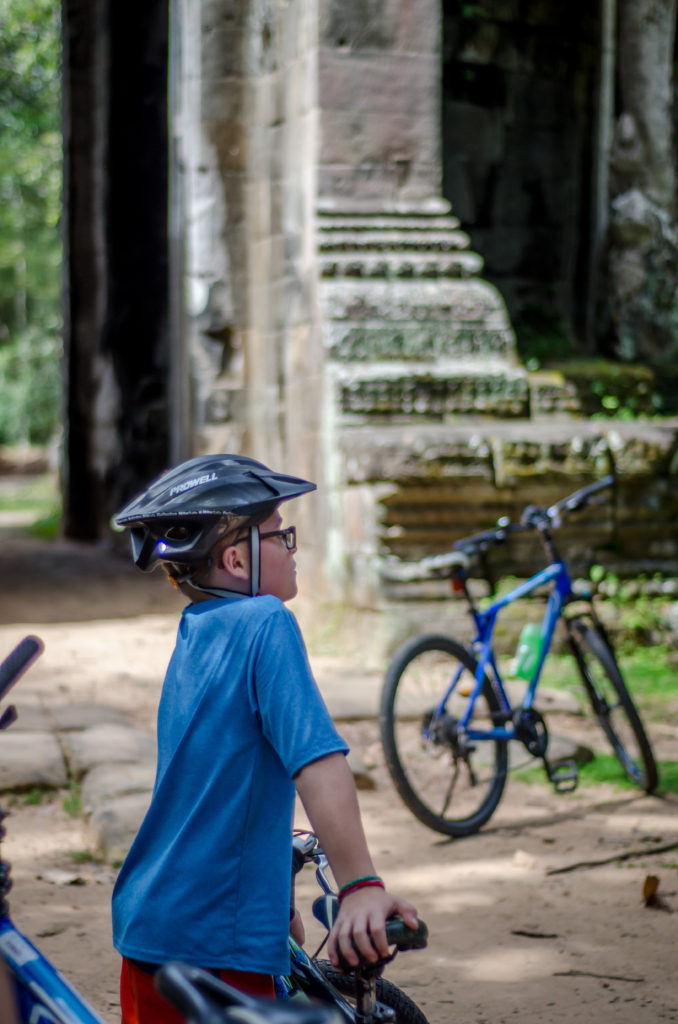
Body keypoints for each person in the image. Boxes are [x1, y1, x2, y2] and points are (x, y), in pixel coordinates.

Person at [111, 453, 418, 1024]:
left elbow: (213, 787)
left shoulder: (197, 632)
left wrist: (267, 900)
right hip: (211, 945)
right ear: (236, 558)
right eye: (281, 536)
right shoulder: (265, 623)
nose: (291, 549)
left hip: (153, 928)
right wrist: (361, 886)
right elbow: (316, 762)